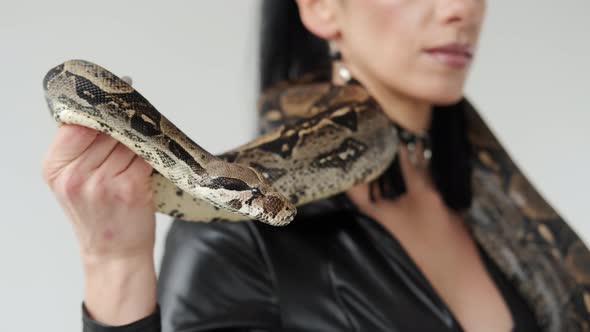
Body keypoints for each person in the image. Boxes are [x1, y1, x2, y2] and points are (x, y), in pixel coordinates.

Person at [41, 1, 590, 331]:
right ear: (320, 6)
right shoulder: (231, 239)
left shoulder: (478, 193)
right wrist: (115, 266)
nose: (460, 10)